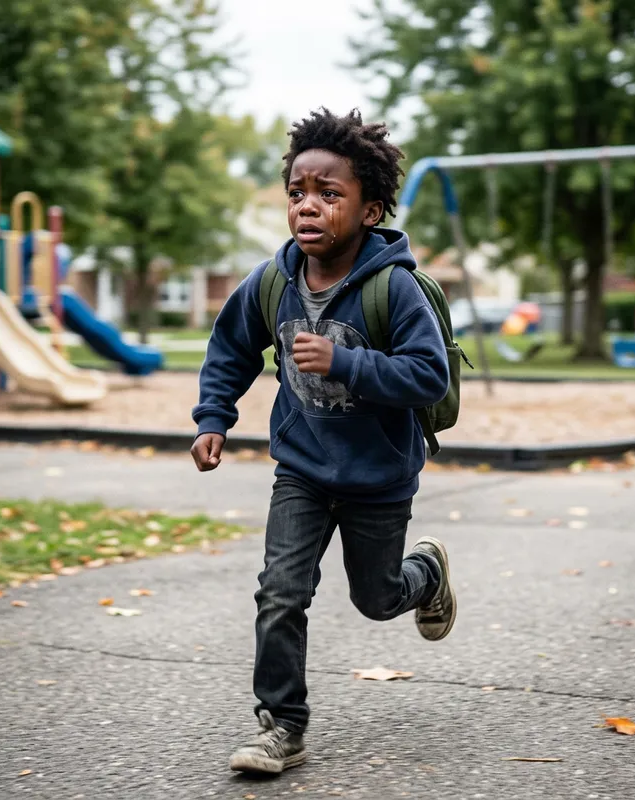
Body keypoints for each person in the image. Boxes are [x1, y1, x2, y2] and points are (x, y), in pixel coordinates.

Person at [191, 107, 456, 776]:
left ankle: (424, 577)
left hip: (379, 478)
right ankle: (282, 725)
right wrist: (213, 418)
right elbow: (230, 348)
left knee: (377, 599)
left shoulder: (394, 289)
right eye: (297, 192)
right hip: (302, 471)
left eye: (329, 193)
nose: (308, 206)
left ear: (369, 210)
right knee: (280, 591)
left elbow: (429, 376)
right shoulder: (272, 282)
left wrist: (344, 363)